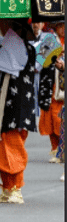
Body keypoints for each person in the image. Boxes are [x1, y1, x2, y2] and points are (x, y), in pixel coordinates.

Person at [0, 20, 38, 203]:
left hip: (15, 103)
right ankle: (7, 188)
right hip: (3, 101)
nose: (4, 29)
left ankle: (17, 189)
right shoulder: (10, 46)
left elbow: (1, 66)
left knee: (12, 144)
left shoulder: (18, 46)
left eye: (8, 26)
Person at [38, 21, 64, 163]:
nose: (62, 29)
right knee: (49, 118)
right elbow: (40, 60)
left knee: (60, 119)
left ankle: (62, 149)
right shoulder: (50, 40)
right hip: (49, 83)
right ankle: (55, 149)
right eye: (60, 26)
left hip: (63, 84)